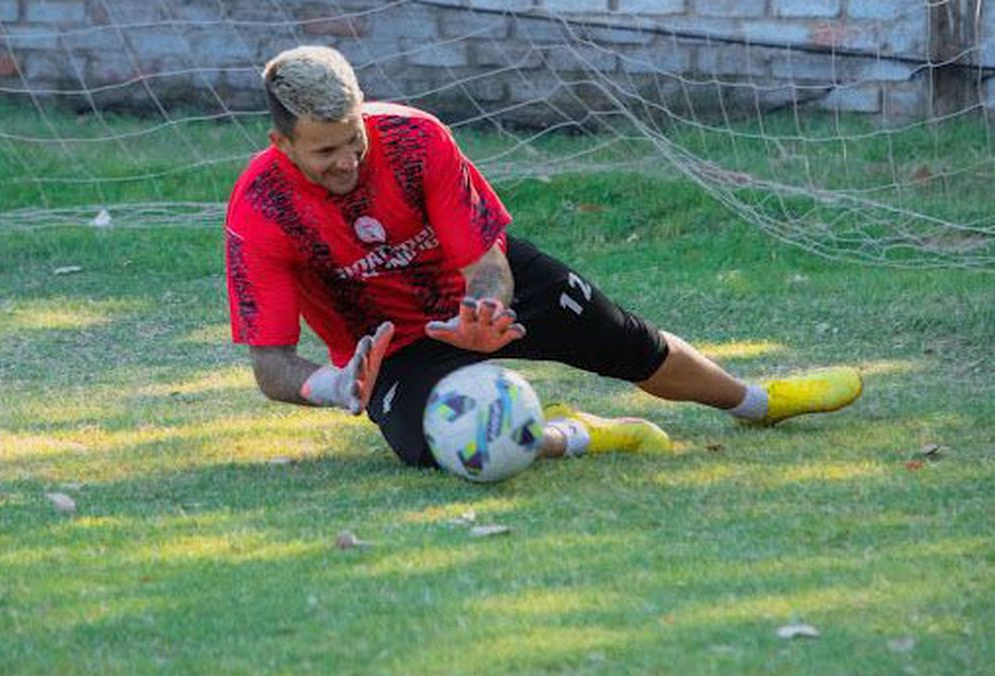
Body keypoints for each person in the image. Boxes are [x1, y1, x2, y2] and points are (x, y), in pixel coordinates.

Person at [224, 46, 863, 468]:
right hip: (394, 347)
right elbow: (271, 364)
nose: (348, 161)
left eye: (354, 139)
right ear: (281, 142)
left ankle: (758, 402)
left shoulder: (415, 138)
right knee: (440, 450)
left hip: (475, 297)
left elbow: (485, 260)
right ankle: (584, 433)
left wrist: (484, 307)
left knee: (626, 340)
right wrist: (337, 383)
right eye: (325, 152)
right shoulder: (260, 212)